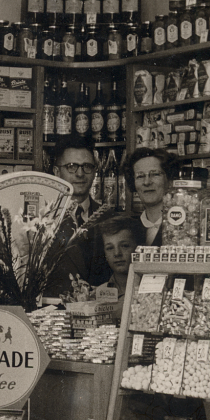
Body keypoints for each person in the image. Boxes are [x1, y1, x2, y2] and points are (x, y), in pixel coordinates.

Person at [44, 135, 111, 298]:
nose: (80, 173)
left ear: (95, 171)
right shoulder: (42, 218)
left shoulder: (110, 218)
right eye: (72, 166)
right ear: (56, 171)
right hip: (55, 315)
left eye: (87, 166)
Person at [123, 148, 178, 246]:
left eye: (155, 174)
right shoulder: (128, 230)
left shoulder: (183, 225)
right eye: (140, 176)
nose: (147, 182)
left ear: (169, 179)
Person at [97, 214, 144, 320]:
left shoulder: (150, 292)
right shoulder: (99, 293)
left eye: (124, 246)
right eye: (110, 248)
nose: (117, 253)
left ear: (138, 248)